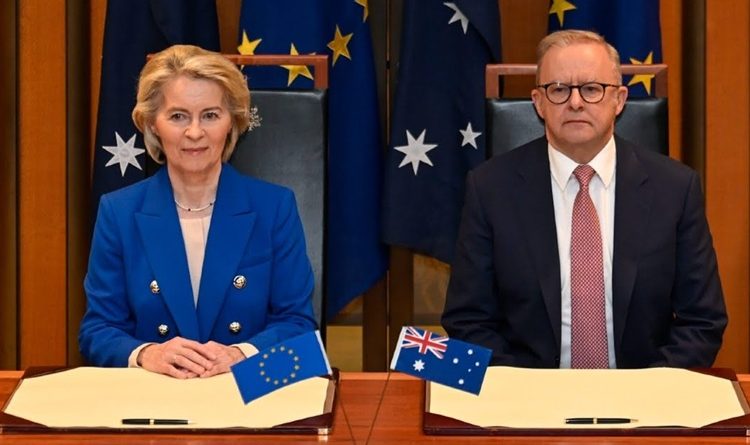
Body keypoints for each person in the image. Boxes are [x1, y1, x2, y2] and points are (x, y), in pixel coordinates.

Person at [442, 30, 727, 369]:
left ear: (619, 99)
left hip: (645, 391)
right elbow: (468, 321)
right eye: (559, 89)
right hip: (528, 392)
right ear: (539, 102)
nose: (575, 102)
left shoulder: (675, 189)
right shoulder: (490, 189)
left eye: (591, 89)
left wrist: (649, 390)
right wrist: (522, 391)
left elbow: (702, 321)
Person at [79, 44, 316, 378]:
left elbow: (299, 326)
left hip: (245, 389)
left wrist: (241, 355)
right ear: (153, 124)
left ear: (232, 122)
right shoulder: (119, 212)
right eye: (178, 116)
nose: (194, 132)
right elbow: (97, 331)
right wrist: (147, 353)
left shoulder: (274, 208)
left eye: (210, 115)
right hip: (157, 392)